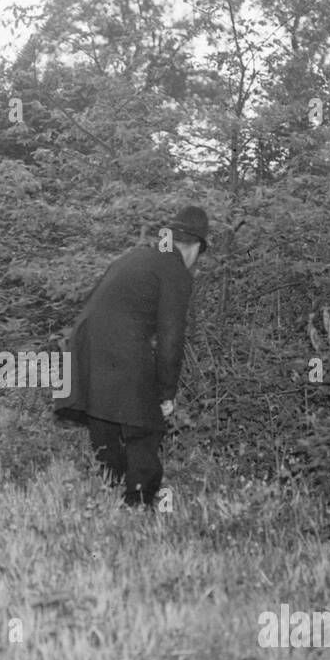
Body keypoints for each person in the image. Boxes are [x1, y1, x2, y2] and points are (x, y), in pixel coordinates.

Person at [55, 206, 208, 507]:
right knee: (145, 428)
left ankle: (113, 493)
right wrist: (166, 392)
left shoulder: (136, 256)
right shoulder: (175, 269)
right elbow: (171, 336)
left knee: (104, 419)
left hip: (83, 344)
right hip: (119, 342)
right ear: (194, 247)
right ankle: (137, 505)